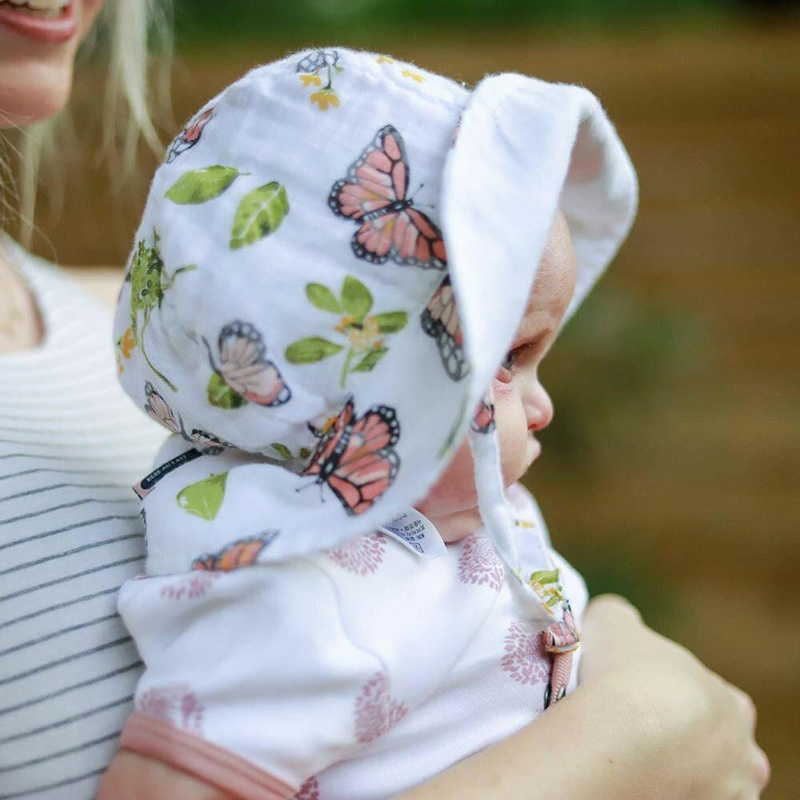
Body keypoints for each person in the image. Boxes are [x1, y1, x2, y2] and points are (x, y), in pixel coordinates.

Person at [0, 5, 769, 800]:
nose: (543, 406)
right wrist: (646, 727)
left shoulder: (435, 530)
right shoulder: (295, 596)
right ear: (363, 394)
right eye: (507, 363)